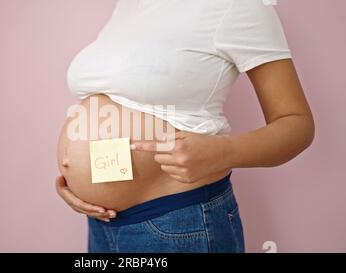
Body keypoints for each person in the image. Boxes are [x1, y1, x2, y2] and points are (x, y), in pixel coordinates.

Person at [56, 0, 315, 253]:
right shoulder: (127, 5)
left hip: (176, 221)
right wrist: (75, 180)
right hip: (102, 224)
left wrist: (223, 152)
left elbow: (296, 123)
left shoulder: (240, 5)